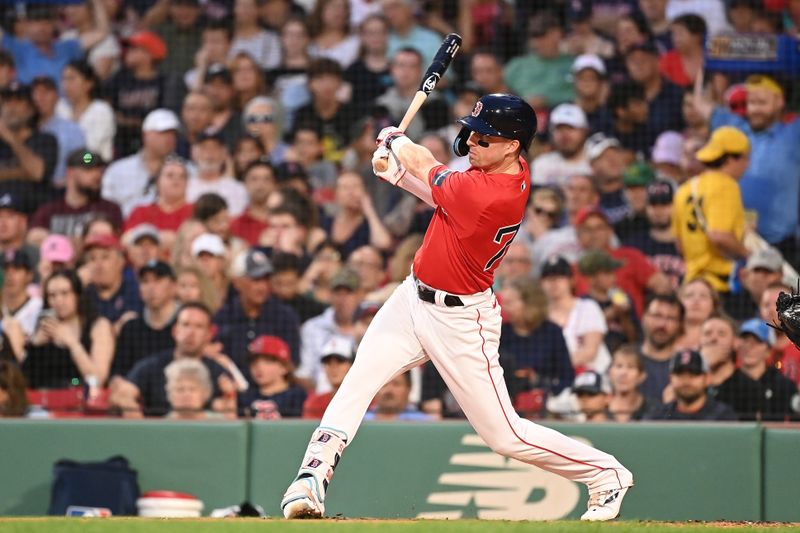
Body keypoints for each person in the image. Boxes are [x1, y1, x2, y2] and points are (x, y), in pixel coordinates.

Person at [280, 93, 633, 521]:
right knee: (359, 380)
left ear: (513, 146)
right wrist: (397, 175)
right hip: (413, 296)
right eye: (475, 134)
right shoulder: (492, 169)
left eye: (486, 138)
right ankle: (310, 479)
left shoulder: (497, 191)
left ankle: (605, 473)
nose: (473, 144)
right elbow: (442, 195)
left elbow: (431, 170)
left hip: (462, 318)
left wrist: (396, 142)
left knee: (504, 436)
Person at [109, 302, 230, 417]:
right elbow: (121, 395)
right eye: (185, 324)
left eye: (199, 326)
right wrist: (128, 404)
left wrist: (228, 398)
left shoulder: (217, 372)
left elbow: (232, 412)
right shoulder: (152, 366)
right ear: (175, 331)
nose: (190, 332)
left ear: (209, 334)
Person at [671, 126, 750, 293]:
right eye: (745, 158)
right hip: (719, 282)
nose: (747, 165)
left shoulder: (684, 189)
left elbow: (679, 244)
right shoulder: (726, 185)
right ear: (730, 160)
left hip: (692, 282)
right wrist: (748, 254)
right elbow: (719, 236)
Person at [22, 269, 114, 389]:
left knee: (72, 382)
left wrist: (72, 343)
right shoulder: (44, 325)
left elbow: (96, 380)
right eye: (52, 295)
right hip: (45, 397)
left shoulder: (98, 326)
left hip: (79, 389)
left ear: (77, 295)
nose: (58, 301)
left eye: (65, 293)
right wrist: (34, 346)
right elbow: (26, 382)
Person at [214, 249, 301, 374]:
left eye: (266, 279)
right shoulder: (223, 317)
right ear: (237, 282)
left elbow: (292, 363)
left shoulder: (285, 317)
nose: (262, 287)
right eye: (256, 280)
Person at [28, 149, 122, 246]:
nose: (97, 175)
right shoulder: (49, 211)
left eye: (99, 170)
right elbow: (34, 239)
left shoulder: (109, 208)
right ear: (70, 172)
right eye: (89, 170)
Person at [499, 278, 574, 397]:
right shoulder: (500, 333)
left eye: (510, 303)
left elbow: (567, 378)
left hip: (546, 402)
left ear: (530, 303)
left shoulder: (552, 332)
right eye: (504, 303)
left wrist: (539, 382)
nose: (504, 308)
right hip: (506, 400)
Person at [101, 108, 180, 218]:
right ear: (145, 134)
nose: (168, 138)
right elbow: (106, 208)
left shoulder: (188, 170)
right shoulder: (118, 170)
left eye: (173, 134)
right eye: (162, 133)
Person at [716, 319, 799, 421]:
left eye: (757, 341)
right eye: (745, 340)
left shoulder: (784, 386)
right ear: (737, 345)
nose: (749, 347)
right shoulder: (727, 386)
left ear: (768, 351)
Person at [540, 256, 611, 374]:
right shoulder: (540, 314)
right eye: (549, 278)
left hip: (594, 376)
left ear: (571, 281)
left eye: (560, 277)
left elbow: (589, 352)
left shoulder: (587, 307)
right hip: (560, 379)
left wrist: (551, 367)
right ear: (541, 283)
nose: (554, 283)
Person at [111, 260, 178, 378]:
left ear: (173, 286)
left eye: (158, 280)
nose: (151, 288)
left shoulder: (187, 324)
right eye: (145, 281)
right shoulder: (131, 328)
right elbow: (118, 374)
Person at [0, 82, 58, 214]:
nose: (11, 108)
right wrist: (22, 172)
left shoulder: (46, 139)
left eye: (18, 102)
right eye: (7, 102)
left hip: (33, 212)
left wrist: (11, 139)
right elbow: (30, 172)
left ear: (31, 109)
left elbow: (37, 173)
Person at [643, 349, 738, 421]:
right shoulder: (658, 417)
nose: (686, 380)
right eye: (680, 374)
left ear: (707, 378)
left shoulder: (723, 417)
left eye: (693, 374)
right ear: (670, 378)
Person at [30, 75, 86, 187]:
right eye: (35, 93)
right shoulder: (20, 128)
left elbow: (85, 158)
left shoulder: (71, 129)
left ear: (57, 97)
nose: (39, 98)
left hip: (58, 189)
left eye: (45, 92)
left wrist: (90, 158)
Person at [58, 60, 115, 162]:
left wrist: (78, 164)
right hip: (66, 166)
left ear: (88, 83)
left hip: (93, 163)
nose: (66, 84)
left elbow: (92, 150)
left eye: (71, 79)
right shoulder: (60, 107)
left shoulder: (101, 110)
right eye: (64, 79)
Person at [238, 335, 307, 419]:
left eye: (267, 362)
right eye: (254, 362)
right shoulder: (246, 397)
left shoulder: (298, 396)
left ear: (284, 367)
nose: (259, 367)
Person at [530, 104, 591, 188]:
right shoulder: (541, 164)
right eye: (559, 129)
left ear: (584, 131)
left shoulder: (595, 164)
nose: (565, 135)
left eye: (570, 128)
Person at [639, 293, 685, 401]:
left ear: (680, 325)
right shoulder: (623, 360)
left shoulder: (686, 367)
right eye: (657, 316)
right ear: (644, 318)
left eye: (671, 318)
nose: (662, 324)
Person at [302, 336, 354, 419]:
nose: (333, 367)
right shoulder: (316, 403)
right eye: (328, 362)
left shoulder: (369, 401)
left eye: (340, 361)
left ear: (352, 365)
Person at [363, 371, 435, 421]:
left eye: (396, 384)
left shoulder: (425, 423)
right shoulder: (358, 423)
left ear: (408, 388)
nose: (389, 390)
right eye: (384, 384)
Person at [607, 345, 652, 422]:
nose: (623, 373)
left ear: (641, 376)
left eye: (630, 367)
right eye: (618, 366)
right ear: (610, 373)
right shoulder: (599, 408)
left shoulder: (653, 410)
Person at [675, 278, 721, 350]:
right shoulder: (665, 337)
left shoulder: (722, 341)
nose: (696, 300)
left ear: (713, 306)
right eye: (689, 295)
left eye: (703, 296)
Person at [699, 315, 738, 389]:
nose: (713, 338)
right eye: (707, 333)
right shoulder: (689, 384)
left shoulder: (748, 387)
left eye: (721, 334)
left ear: (735, 342)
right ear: (699, 341)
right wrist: (704, 364)